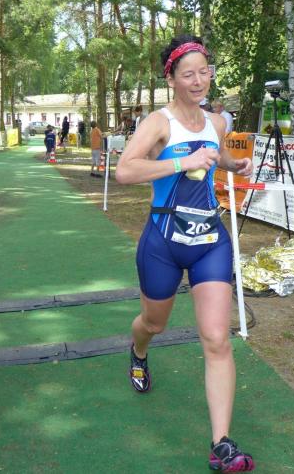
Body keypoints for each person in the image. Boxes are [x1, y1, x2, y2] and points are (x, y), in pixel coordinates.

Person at [115, 34, 255, 472]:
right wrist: (182, 161)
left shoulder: (216, 122)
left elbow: (217, 155)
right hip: (163, 242)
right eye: (188, 74)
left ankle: (221, 444)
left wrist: (233, 164)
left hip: (209, 240)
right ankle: (138, 351)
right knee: (153, 323)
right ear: (171, 79)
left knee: (216, 338)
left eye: (204, 72)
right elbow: (124, 170)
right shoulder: (158, 123)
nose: (198, 81)